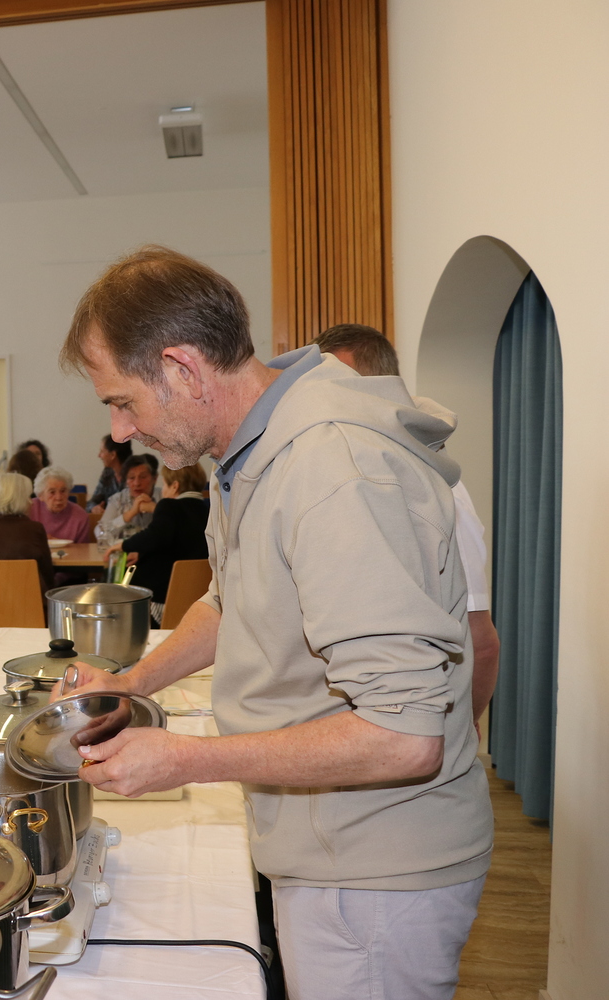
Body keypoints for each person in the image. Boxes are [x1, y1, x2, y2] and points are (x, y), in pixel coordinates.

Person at [55, 246, 492, 999]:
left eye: (123, 402)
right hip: (328, 848)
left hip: (374, 872)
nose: (121, 431)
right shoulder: (253, 445)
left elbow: (403, 735)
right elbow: (233, 599)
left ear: (183, 369)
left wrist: (185, 760)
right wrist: (134, 682)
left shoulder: (331, 468)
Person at [315, 323, 502, 722]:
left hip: (419, 726)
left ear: (382, 389)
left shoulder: (443, 494)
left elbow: (481, 642)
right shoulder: (330, 482)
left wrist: (461, 734)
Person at [105, 464, 209, 624]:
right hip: (197, 595)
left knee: (116, 587)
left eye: (165, 485)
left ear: (175, 486)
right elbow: (179, 541)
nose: (163, 491)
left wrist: (123, 545)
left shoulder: (168, 505)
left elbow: (155, 535)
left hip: (161, 597)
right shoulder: (207, 508)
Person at [0, 473, 53, 594]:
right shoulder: (35, 529)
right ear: (17, 500)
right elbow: (47, 575)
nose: (32, 502)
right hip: (28, 601)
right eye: (28, 497)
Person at [94, 453, 158, 542]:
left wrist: (157, 509)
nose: (137, 483)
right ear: (126, 481)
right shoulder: (118, 500)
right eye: (131, 478)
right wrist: (130, 514)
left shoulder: (165, 496)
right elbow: (99, 533)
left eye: (143, 477)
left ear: (155, 478)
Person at [28, 466, 93, 542]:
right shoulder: (29, 509)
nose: (58, 497)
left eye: (63, 491)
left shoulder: (80, 516)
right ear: (41, 495)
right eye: (52, 492)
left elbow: (83, 548)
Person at [88, 435, 133, 511]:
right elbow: (92, 501)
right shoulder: (107, 473)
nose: (99, 455)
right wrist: (94, 508)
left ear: (113, 455)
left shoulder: (134, 475)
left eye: (102, 451)